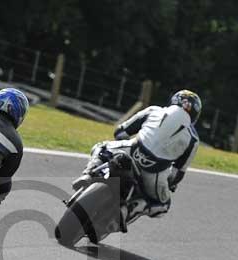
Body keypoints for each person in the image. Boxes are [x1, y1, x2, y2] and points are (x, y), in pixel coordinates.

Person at [73, 89, 201, 219]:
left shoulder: (154, 110)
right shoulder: (194, 140)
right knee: (163, 206)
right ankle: (130, 210)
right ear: (195, 115)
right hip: (155, 174)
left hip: (131, 150)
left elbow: (120, 132)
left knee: (100, 147)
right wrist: (169, 185)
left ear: (173, 101)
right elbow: (177, 174)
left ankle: (88, 174)